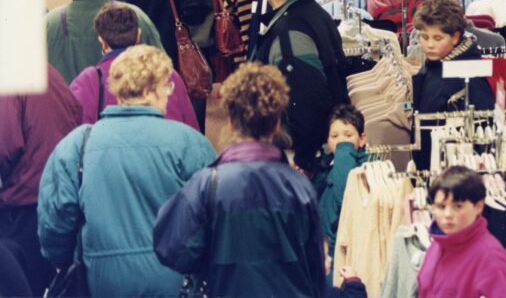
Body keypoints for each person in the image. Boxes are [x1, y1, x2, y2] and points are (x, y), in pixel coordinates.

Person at [38, 45, 216, 297]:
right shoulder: (190, 143)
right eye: (166, 86)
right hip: (176, 282)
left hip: (101, 280)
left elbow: (54, 221)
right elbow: (212, 219)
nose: (168, 94)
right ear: (149, 90)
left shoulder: (78, 145)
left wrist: (72, 258)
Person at [154, 62, 327, 297]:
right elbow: (315, 272)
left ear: (232, 123)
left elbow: (171, 249)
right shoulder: (300, 190)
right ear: (276, 124)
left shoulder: (207, 186)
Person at [249, 0, 349, 173]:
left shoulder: (289, 32)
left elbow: (305, 99)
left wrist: (304, 159)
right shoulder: (316, 13)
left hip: (300, 153)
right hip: (319, 143)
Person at [0, 65, 81, 293]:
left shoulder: (9, 77)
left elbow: (4, 145)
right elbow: (76, 115)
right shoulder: (50, 73)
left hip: (20, 204)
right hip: (52, 196)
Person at [69, 4, 198, 129]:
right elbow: (191, 128)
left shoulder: (89, 80)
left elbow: (76, 129)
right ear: (138, 35)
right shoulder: (167, 74)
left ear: (102, 41)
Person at [45, 0, 163, 83]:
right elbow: (161, 67)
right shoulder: (133, 16)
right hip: (127, 99)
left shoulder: (50, 23)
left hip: (69, 101)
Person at [417, 166, 506, 297]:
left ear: (478, 206)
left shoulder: (492, 259)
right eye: (441, 206)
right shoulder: (436, 247)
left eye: (457, 206)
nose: (448, 214)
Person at [412, 0, 494, 169]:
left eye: (437, 38)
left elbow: (483, 130)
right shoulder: (434, 65)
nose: (430, 45)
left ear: (455, 37)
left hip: (453, 170)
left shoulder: (469, 75)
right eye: (424, 37)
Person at [313, 104, 369, 280]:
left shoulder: (364, 169)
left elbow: (342, 199)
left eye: (348, 135)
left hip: (341, 257)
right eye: (334, 136)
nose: (341, 141)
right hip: (322, 255)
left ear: (362, 138)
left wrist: (344, 151)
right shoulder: (325, 167)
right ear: (327, 141)